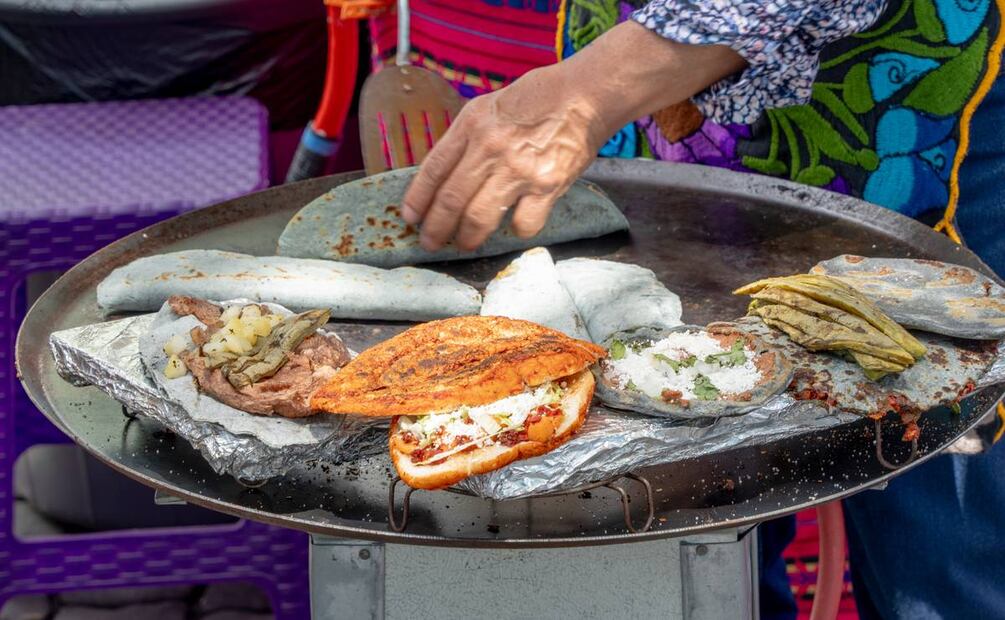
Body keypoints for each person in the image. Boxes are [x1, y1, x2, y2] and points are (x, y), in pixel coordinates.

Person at [385, 1, 1005, 618]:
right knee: (702, 521)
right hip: (658, 98)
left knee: (933, 536)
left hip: (897, 96)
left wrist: (585, 92)